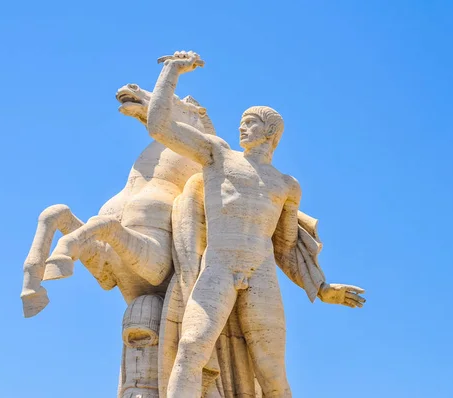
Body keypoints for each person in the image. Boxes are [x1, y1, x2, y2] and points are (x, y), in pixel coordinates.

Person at [146, 51, 365, 398]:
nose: (241, 127)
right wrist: (171, 72)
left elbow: (286, 247)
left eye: (250, 122)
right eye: (242, 122)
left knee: (273, 374)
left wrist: (322, 288)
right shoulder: (218, 155)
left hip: (261, 275)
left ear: (271, 132)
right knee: (190, 348)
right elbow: (159, 126)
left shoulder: (287, 185)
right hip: (218, 268)